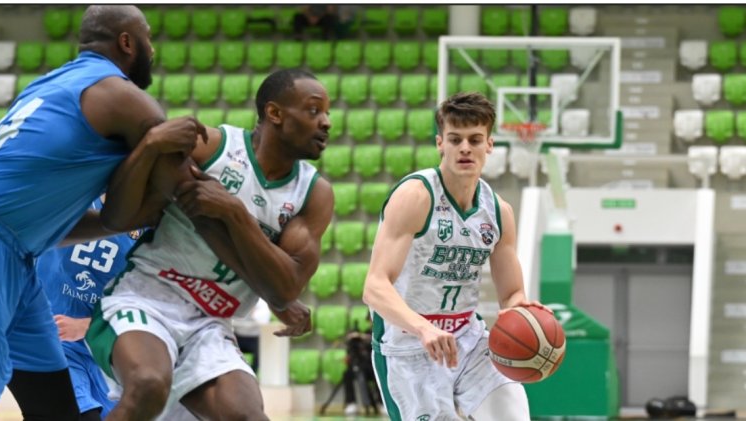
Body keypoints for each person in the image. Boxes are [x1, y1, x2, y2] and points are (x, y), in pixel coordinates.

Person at [0, 6, 207, 420]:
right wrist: (154, 145)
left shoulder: (49, 84)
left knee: (57, 411)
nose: (152, 49)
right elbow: (186, 193)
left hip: (11, 250)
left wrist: (125, 219)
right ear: (127, 42)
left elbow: (64, 227)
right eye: (148, 38)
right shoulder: (121, 95)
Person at [85, 68, 335, 420]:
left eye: (327, 113)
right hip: (146, 297)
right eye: (313, 110)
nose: (326, 122)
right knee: (148, 385)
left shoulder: (313, 193)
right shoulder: (213, 147)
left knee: (248, 417)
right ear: (274, 113)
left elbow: (286, 287)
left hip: (211, 322)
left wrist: (235, 213)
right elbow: (122, 215)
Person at [362, 92, 550, 421]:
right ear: (440, 144)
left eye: (475, 139)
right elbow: (375, 287)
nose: (465, 148)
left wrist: (521, 308)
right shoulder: (415, 196)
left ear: (489, 145)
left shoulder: (498, 211)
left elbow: (511, 293)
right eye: (455, 139)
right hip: (408, 345)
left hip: (468, 339)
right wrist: (424, 329)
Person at [36, 196, 142, 421]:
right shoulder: (70, 196)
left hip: (110, 347)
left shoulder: (154, 223)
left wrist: (87, 325)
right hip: (56, 340)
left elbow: (153, 304)